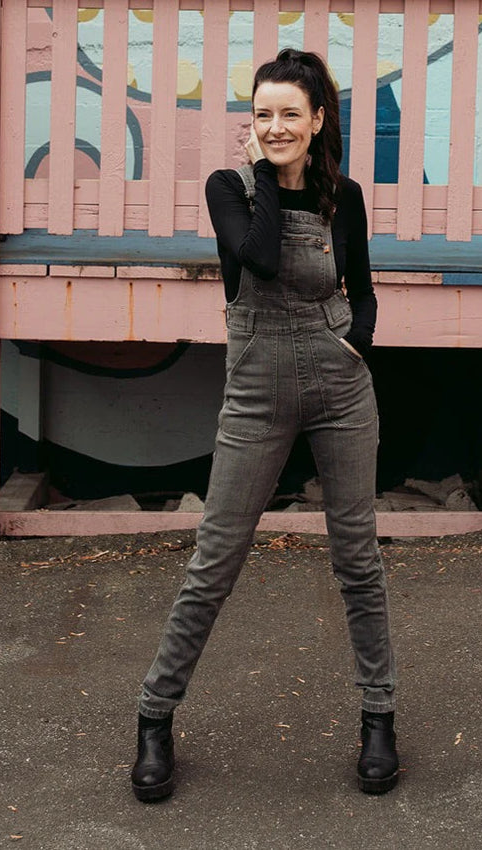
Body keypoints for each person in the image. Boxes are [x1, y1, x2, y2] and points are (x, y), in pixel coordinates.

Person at [132, 48, 398, 802]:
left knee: (358, 560)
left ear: (317, 120)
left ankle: (379, 717)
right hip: (256, 388)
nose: (275, 127)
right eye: (262, 115)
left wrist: (356, 342)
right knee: (215, 560)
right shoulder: (229, 188)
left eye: (289, 114)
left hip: (340, 385)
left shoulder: (345, 197)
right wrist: (265, 174)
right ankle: (154, 716)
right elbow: (261, 260)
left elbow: (364, 290)